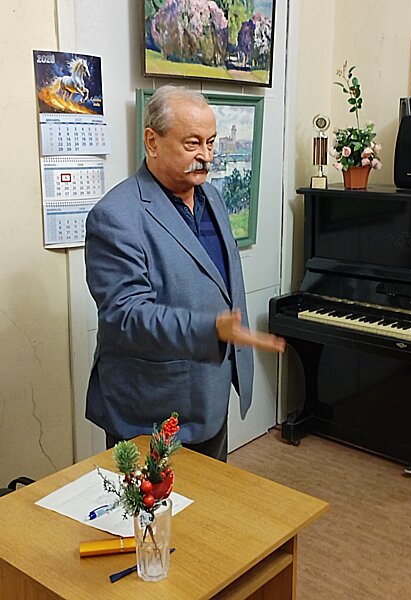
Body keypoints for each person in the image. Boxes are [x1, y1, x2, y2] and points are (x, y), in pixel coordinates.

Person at [84, 85, 285, 461]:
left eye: (210, 143)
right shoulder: (116, 216)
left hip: (210, 394)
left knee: (209, 496)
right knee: (156, 501)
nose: (205, 156)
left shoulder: (213, 199)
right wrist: (211, 330)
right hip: (150, 408)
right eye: (192, 143)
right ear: (152, 141)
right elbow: (125, 316)